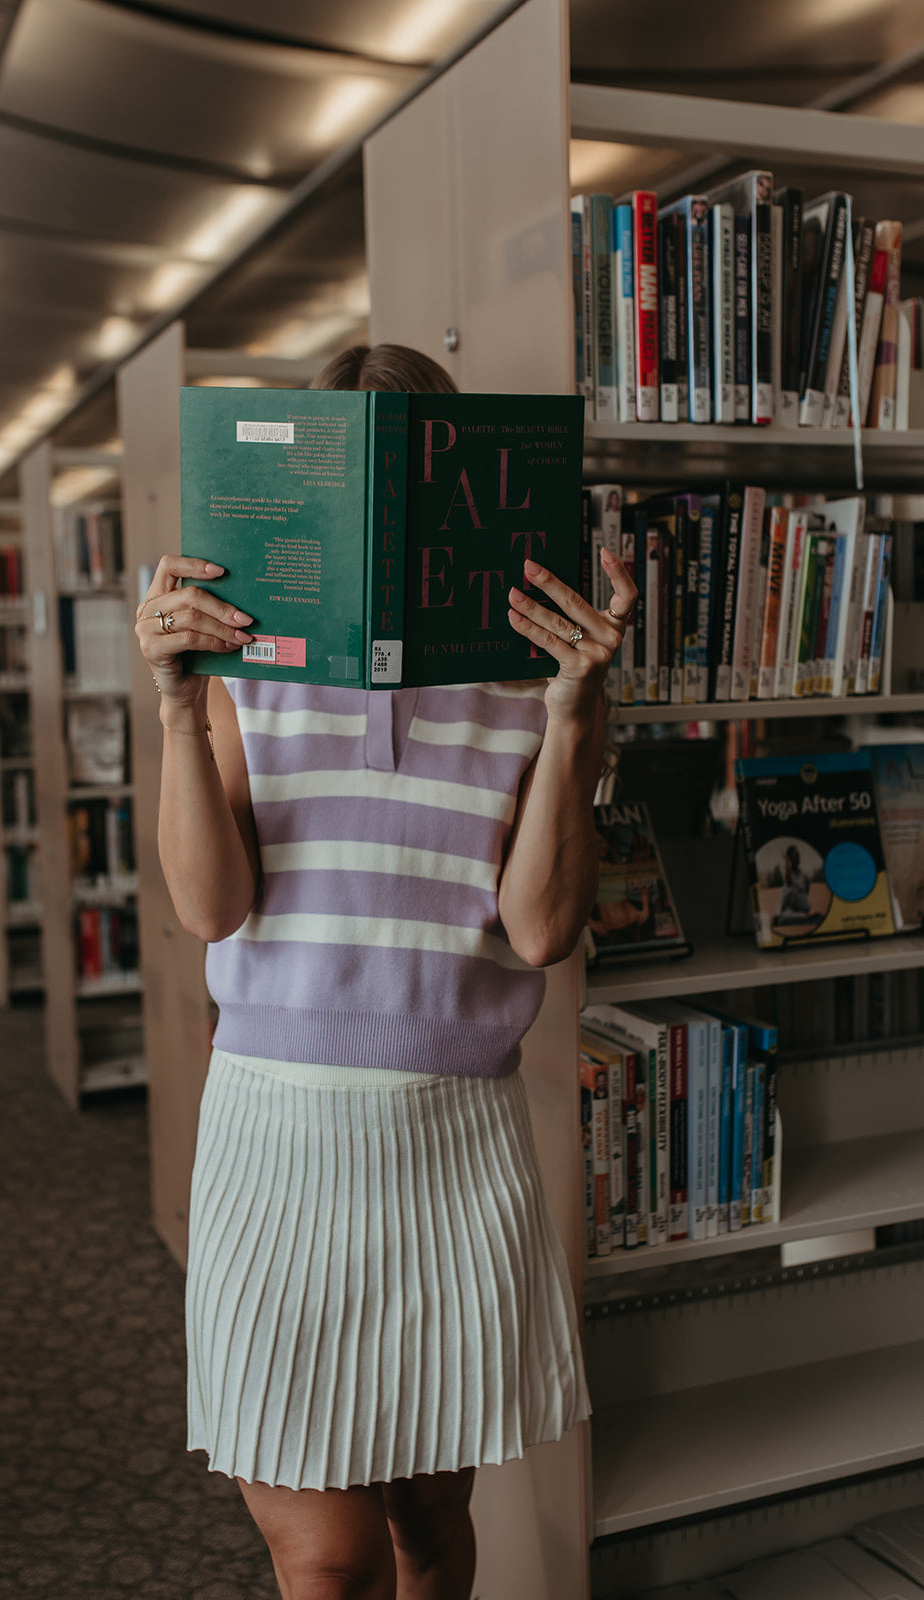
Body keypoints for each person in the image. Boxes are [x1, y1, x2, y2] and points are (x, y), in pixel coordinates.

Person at [135, 343, 636, 1600]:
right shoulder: (246, 661)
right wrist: (178, 708)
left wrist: (576, 716)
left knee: (425, 1527)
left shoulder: (534, 670)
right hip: (277, 1138)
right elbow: (209, 905)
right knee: (328, 1559)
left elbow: (538, 929)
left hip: (449, 1145)